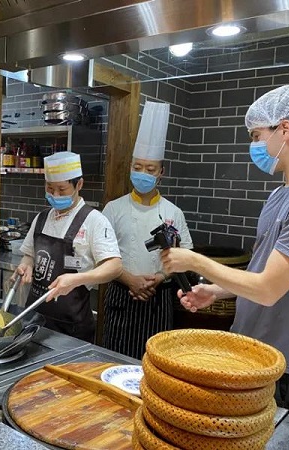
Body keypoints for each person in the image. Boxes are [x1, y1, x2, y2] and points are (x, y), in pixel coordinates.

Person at [160, 85, 289, 415]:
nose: (254, 146)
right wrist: (218, 291)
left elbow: (267, 290)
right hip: (251, 345)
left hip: (282, 363)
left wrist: (194, 261)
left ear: (285, 129)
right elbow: (264, 271)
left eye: (256, 135)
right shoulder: (282, 193)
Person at [101, 101, 193, 360]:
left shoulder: (173, 212)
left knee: (154, 362)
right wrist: (130, 280)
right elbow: (100, 253)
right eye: (137, 167)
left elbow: (187, 254)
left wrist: (160, 277)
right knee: (113, 360)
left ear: (161, 172)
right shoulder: (113, 208)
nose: (143, 173)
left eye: (150, 169)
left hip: (158, 299)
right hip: (120, 295)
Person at [14, 151, 123, 342]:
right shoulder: (42, 218)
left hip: (71, 328)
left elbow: (115, 266)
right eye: (50, 188)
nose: (55, 195)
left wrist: (76, 279)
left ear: (79, 184)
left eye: (62, 189)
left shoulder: (94, 221)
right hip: (33, 320)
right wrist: (27, 264)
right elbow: (29, 254)